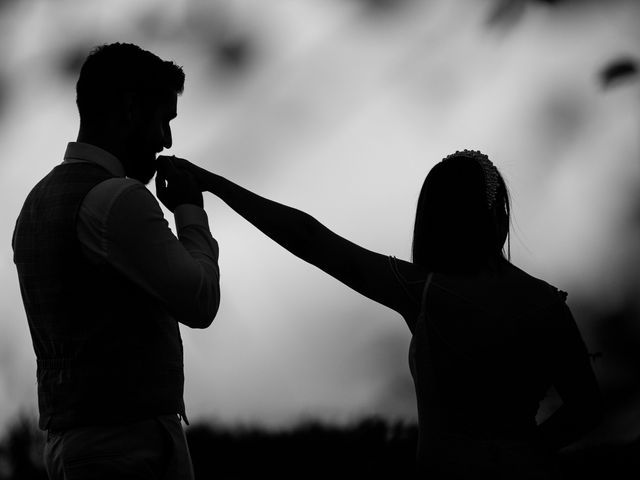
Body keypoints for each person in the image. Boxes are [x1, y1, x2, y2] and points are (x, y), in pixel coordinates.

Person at [159, 150, 602, 478]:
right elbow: (588, 408)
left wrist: (210, 182)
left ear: (433, 220)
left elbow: (310, 240)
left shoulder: (423, 292)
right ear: (500, 217)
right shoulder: (546, 304)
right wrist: (524, 453)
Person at [12, 43, 220, 480]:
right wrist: (189, 211)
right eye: (163, 119)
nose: (167, 139)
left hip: (67, 446)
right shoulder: (118, 200)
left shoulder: (35, 202)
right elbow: (200, 301)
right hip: (127, 448)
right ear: (130, 108)